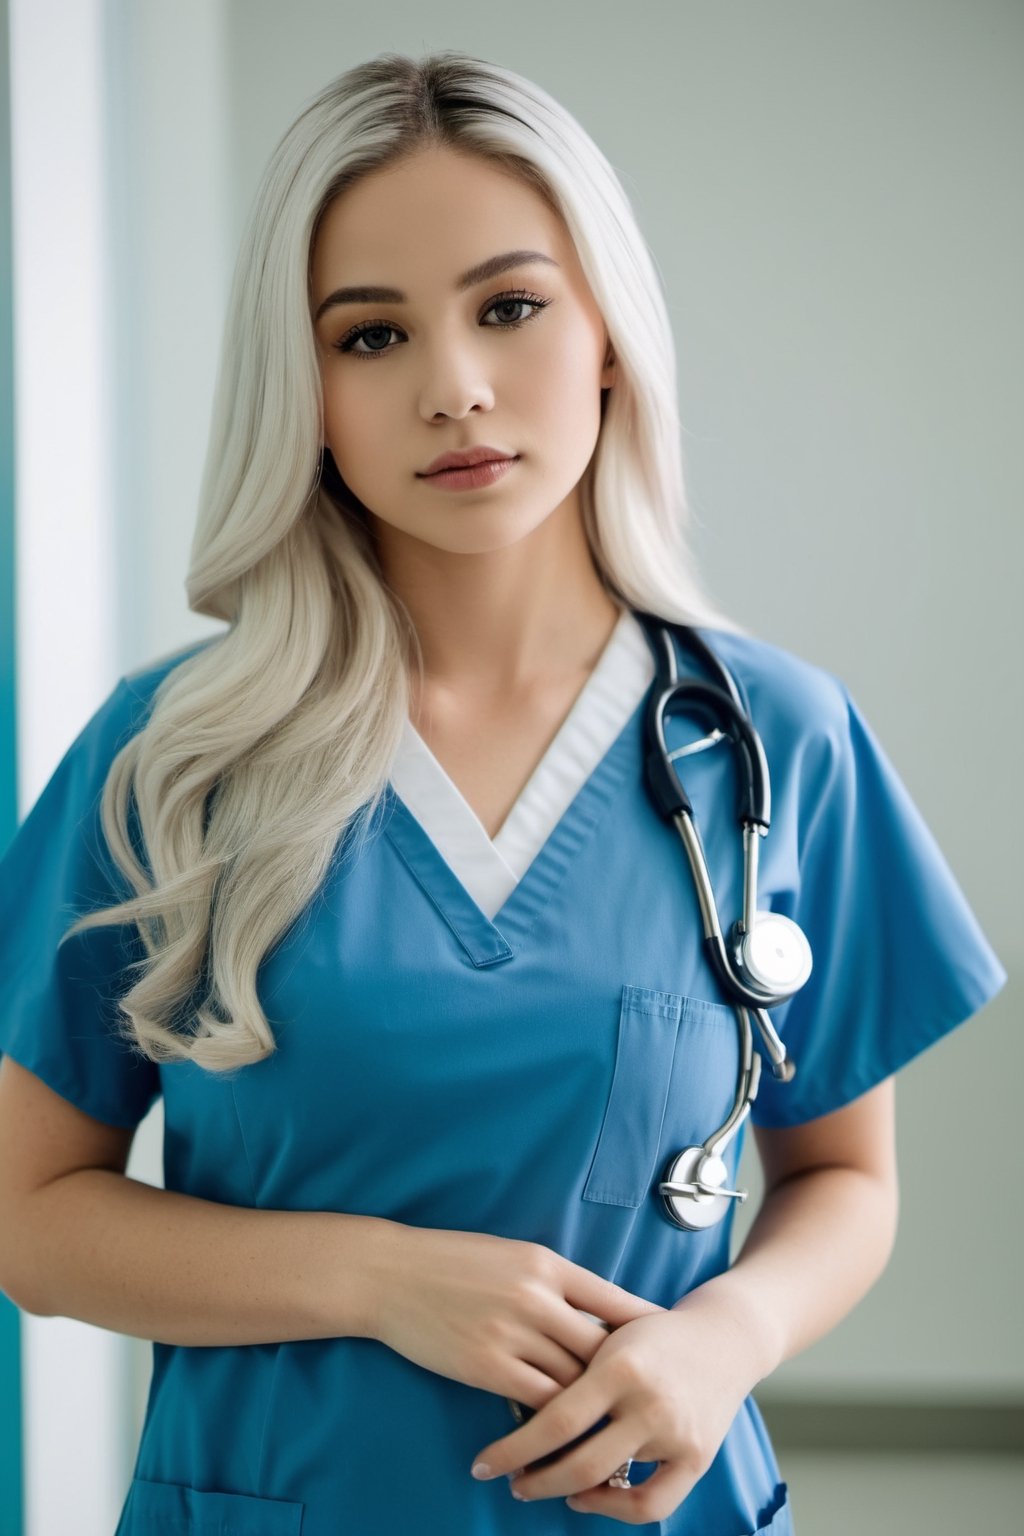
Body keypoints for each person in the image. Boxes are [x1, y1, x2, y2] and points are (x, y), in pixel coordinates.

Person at [0, 49, 1005, 1536]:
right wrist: (374, 1278)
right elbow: (34, 1220)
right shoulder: (174, 756)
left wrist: (726, 1336)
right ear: (307, 388)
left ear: (608, 334)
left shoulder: (776, 740)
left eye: (511, 308)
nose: (454, 387)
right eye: (371, 335)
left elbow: (846, 1178)